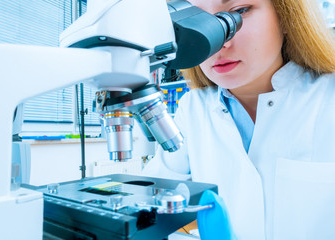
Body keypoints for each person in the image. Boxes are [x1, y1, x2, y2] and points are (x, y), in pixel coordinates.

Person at [143, 0, 335, 239]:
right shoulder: (193, 109)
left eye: (239, 11)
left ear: (286, 17)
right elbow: (151, 200)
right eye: (196, 20)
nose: (217, 42)